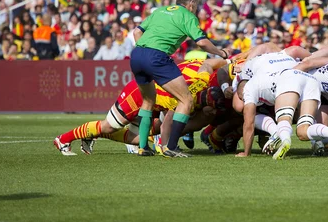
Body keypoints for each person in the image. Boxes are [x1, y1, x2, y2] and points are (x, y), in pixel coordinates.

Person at [53, 58, 228, 155]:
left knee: (134, 138)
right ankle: (63, 139)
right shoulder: (184, 98)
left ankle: (94, 134)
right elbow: (169, 121)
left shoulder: (201, 74)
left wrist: (226, 60)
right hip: (137, 95)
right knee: (110, 125)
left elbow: (212, 62)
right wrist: (166, 147)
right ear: (205, 100)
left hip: (153, 99)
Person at [130, 0, 229, 157]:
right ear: (190, 4)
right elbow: (202, 42)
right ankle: (171, 147)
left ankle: (142, 148)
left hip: (137, 54)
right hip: (157, 57)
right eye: (196, 5)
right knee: (186, 100)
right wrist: (221, 53)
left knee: (148, 100)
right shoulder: (188, 16)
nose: (196, 9)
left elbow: (137, 32)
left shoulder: (160, 10)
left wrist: (145, 52)